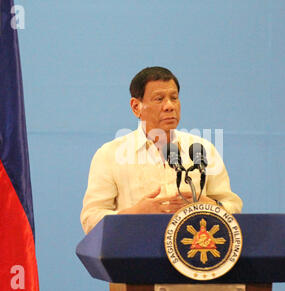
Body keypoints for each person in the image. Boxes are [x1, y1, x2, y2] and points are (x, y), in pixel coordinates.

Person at [80, 66, 242, 234]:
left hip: (194, 254)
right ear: (136, 107)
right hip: (135, 254)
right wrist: (134, 214)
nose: (169, 106)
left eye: (174, 98)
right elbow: (91, 219)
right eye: (159, 99)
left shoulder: (201, 150)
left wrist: (210, 206)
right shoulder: (110, 155)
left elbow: (234, 208)